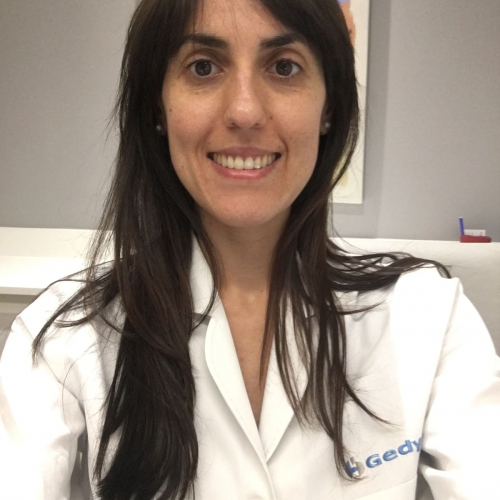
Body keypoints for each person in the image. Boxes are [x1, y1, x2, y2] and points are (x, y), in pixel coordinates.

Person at [0, 0, 499, 498]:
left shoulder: (428, 316)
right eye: (203, 67)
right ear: (157, 107)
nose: (245, 111)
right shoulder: (62, 339)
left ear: (328, 108)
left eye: (284, 67)